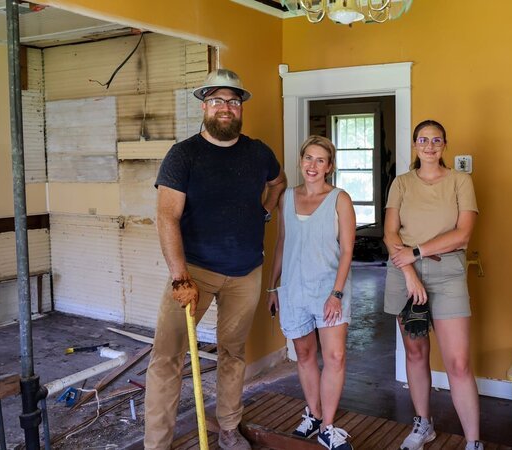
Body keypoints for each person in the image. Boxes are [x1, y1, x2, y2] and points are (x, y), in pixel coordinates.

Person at [145, 69, 287, 450]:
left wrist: (266, 211)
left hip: (246, 273)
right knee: (167, 358)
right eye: (218, 101)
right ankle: (156, 445)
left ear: (241, 109)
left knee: (233, 354)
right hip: (194, 274)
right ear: (204, 106)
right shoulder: (184, 154)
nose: (226, 108)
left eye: (233, 101)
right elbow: (166, 217)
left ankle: (228, 428)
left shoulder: (258, 152)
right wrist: (179, 278)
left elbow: (278, 182)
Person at [384, 120, 482, 450]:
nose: (429, 145)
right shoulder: (401, 183)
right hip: (403, 272)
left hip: (448, 273)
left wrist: (417, 252)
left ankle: (473, 442)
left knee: (458, 362)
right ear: (414, 145)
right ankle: (423, 424)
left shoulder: (459, 180)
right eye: (422, 140)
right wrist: (410, 269)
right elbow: (390, 232)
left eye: (436, 139)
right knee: (415, 353)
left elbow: (463, 233)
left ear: (444, 144)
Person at [266, 135, 356, 450]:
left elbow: (347, 251)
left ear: (329, 166)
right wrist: (272, 286)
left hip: (328, 290)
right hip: (292, 290)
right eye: (308, 159)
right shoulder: (286, 198)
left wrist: (336, 293)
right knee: (304, 355)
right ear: (301, 162)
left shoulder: (340, 199)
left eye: (320, 160)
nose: (312, 166)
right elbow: (281, 244)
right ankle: (314, 415)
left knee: (334, 356)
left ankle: (328, 427)